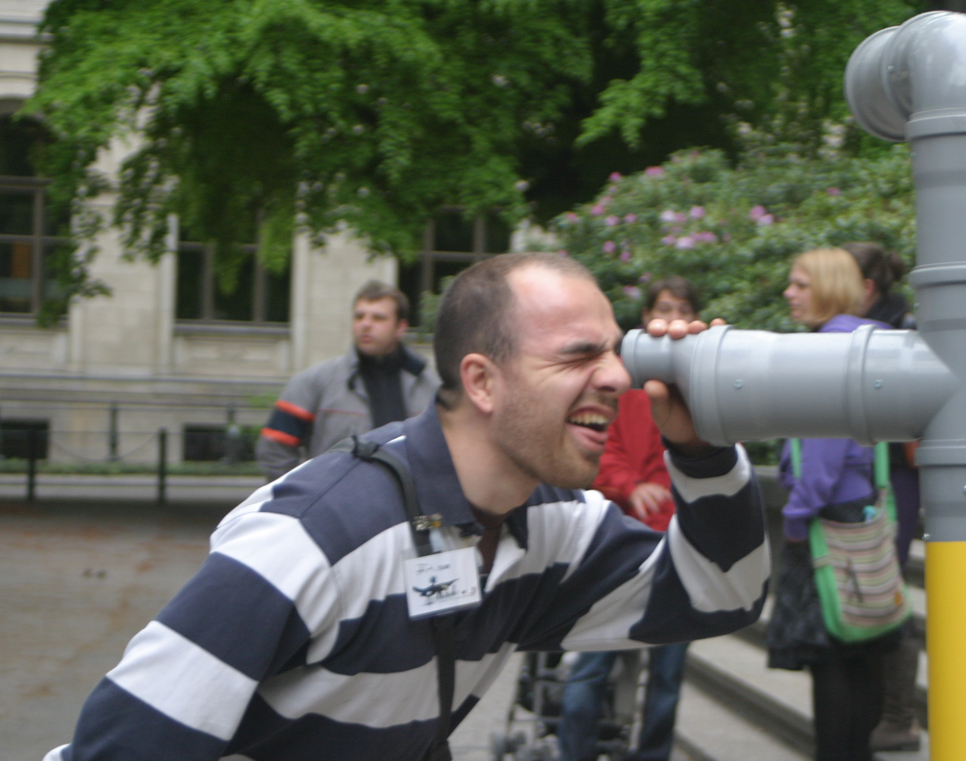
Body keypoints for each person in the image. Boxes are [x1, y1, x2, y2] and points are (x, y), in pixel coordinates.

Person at [45, 252, 770, 761]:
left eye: (616, 352)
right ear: (482, 382)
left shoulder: (552, 524)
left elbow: (722, 594)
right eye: (579, 355)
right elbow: (123, 744)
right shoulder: (316, 536)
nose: (616, 377)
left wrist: (702, 449)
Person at [765, 247, 899, 761]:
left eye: (800, 284)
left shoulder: (826, 350)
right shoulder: (870, 343)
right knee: (863, 649)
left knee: (831, 657)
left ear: (825, 287)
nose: (789, 293)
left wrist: (796, 518)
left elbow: (821, 449)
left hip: (826, 520)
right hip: (864, 511)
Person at [559, 276, 700, 761]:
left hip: (680, 544)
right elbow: (604, 444)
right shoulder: (623, 379)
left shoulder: (704, 381)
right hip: (622, 543)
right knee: (592, 665)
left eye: (683, 309)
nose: (673, 317)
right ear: (646, 318)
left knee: (667, 675)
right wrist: (628, 486)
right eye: (664, 308)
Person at [842, 242, 922, 752]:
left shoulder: (899, 334)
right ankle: (883, 711)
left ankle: (898, 714)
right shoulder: (863, 331)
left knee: (884, 588)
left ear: (867, 289)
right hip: (879, 475)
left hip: (894, 476)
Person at [255, 279, 439, 480]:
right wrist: (299, 499)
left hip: (409, 509)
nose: (366, 324)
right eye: (359, 316)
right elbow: (275, 448)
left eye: (378, 318)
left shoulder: (431, 386)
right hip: (335, 509)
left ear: (401, 327)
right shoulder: (315, 381)